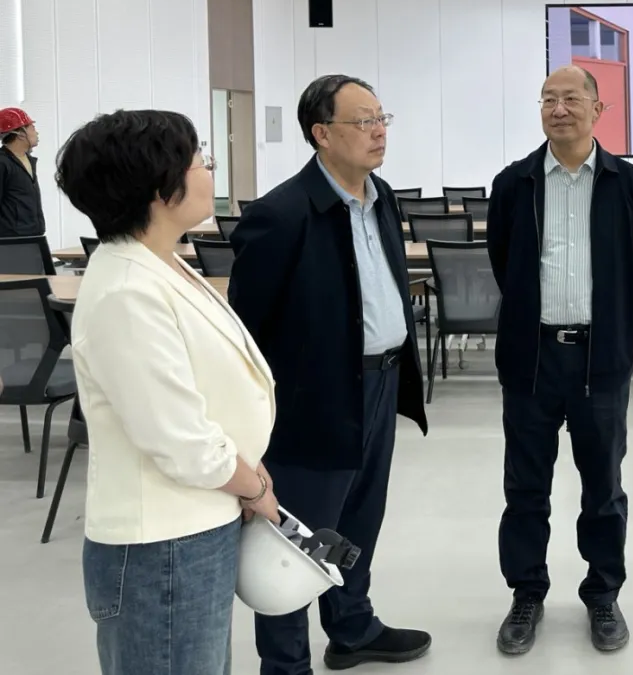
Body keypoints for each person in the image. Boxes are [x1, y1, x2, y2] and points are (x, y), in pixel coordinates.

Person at [56, 109, 279, 675]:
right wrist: (253, 484)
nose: (209, 169)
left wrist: (247, 467)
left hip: (198, 519)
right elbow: (177, 437)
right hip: (162, 544)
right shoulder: (126, 290)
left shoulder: (160, 262)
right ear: (160, 188)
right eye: (200, 159)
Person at [228, 74, 431, 674]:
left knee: (360, 516)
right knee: (293, 535)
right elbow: (247, 334)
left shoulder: (381, 196)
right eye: (363, 120)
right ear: (321, 133)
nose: (379, 131)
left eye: (382, 118)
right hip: (313, 397)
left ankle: (352, 628)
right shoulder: (281, 214)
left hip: (381, 382)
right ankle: (286, 664)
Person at [486, 65, 633, 655]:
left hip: (598, 363)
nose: (558, 109)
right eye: (548, 99)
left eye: (571, 99)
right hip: (530, 361)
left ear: (597, 110)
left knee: (603, 488)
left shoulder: (628, 184)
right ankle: (526, 593)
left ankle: (603, 594)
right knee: (525, 488)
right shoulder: (513, 184)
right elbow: (504, 261)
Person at [0, 106, 46, 237]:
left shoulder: (28, 160)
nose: (37, 133)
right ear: (20, 133)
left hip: (33, 236)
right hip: (12, 240)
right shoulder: (2, 163)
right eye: (32, 128)